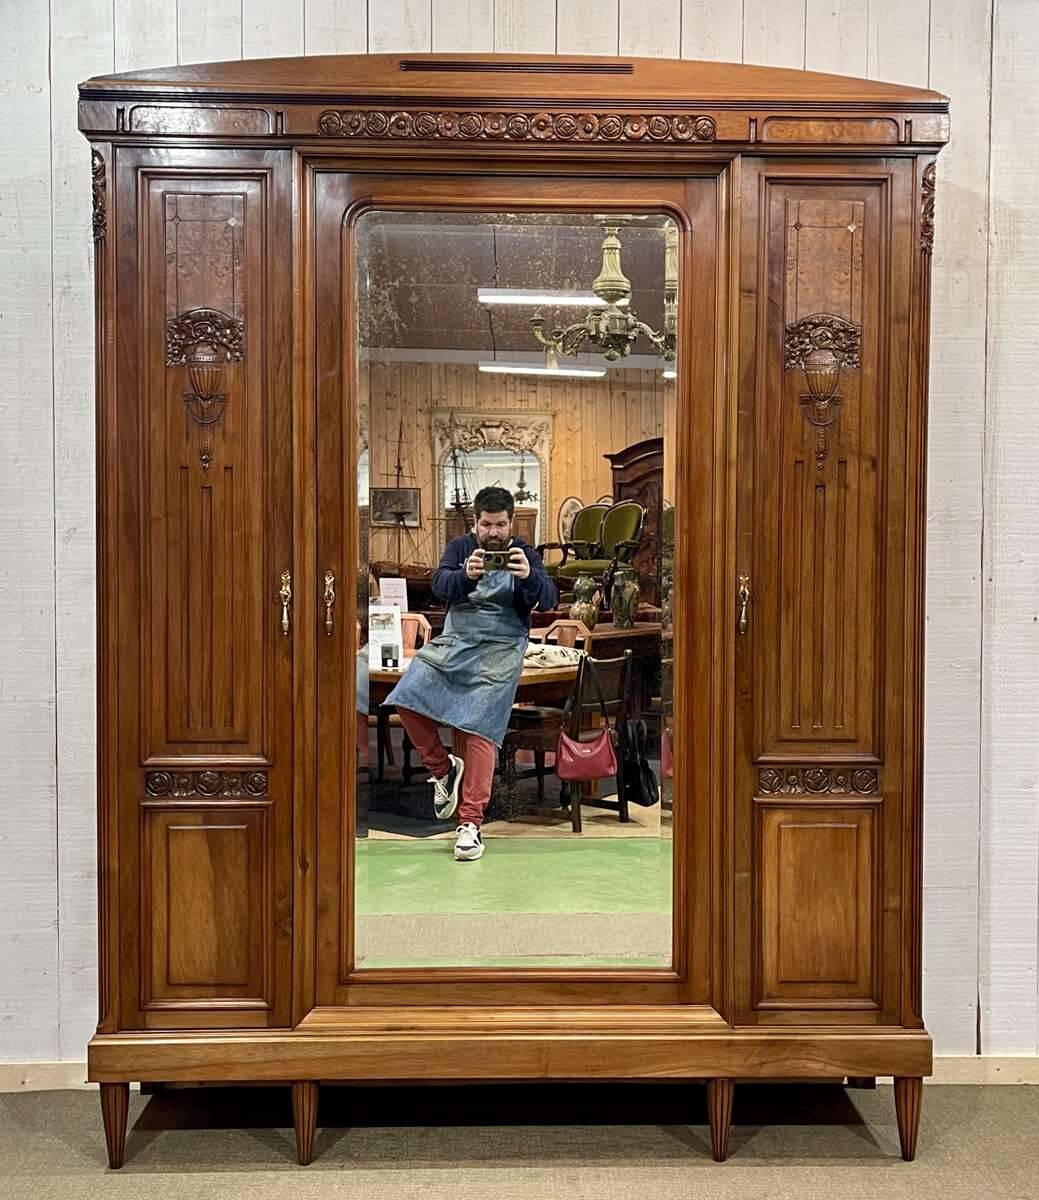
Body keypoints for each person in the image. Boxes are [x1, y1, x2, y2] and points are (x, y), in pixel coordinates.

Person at [383, 486, 557, 861]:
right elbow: (439, 585)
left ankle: (470, 824)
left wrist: (530, 577)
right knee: (406, 696)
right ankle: (443, 770)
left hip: (502, 647)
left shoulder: (525, 553)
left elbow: (549, 598)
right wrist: (465, 575)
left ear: (511, 523)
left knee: (481, 725)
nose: (493, 533)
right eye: (486, 525)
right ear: (475, 522)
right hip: (456, 641)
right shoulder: (460, 548)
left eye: (500, 525)